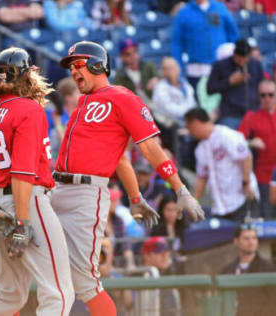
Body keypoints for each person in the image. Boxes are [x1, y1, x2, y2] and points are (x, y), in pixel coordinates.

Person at [55, 41, 204, 316]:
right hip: (57, 189)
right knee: (36, 268)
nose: (74, 72)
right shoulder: (85, 100)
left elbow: (149, 147)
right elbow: (120, 158)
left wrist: (180, 188)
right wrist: (135, 197)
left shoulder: (123, 97)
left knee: (85, 282)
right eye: (71, 68)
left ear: (98, 66)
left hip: (86, 194)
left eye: (79, 65)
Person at [0, 47, 75, 316]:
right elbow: (22, 171)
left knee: (10, 293)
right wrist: (21, 223)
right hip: (27, 202)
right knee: (58, 292)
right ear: (24, 75)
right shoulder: (29, 109)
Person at [185, 108, 258, 221]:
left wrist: (246, 182)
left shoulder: (225, 134)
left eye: (189, 127)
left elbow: (246, 156)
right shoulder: (200, 150)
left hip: (241, 200)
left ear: (195, 123)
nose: (189, 132)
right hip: (220, 207)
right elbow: (202, 179)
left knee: (246, 237)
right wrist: (194, 203)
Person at [172, 0, 239, 89]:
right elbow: (177, 43)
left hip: (222, 69)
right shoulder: (184, 13)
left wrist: (234, 62)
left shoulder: (220, 8)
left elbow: (233, 34)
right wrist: (179, 69)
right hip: (196, 70)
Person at [237, 80, 276, 218]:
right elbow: (237, 143)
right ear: (258, 96)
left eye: (271, 95)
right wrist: (251, 142)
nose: (267, 99)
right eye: (263, 95)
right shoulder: (251, 117)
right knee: (268, 217)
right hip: (263, 177)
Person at [207, 38, 264, 129]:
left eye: (245, 58)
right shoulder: (221, 65)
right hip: (231, 114)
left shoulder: (255, 64)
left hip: (253, 113)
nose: (242, 61)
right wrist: (229, 81)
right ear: (234, 54)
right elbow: (210, 89)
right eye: (239, 58)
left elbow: (262, 85)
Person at [221, 224, 275, 316]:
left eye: (254, 238)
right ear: (236, 241)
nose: (251, 242)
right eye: (246, 239)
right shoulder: (227, 271)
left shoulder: (269, 268)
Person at [138, 237, 181, 316]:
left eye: (167, 252)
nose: (165, 256)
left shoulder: (170, 274)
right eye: (160, 253)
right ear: (147, 256)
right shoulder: (137, 277)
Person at [152, 57, 196, 126]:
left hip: (188, 119)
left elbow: (192, 103)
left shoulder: (185, 84)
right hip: (169, 125)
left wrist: (190, 115)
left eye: (172, 68)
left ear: (178, 68)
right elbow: (169, 109)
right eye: (166, 69)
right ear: (163, 71)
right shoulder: (160, 87)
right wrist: (188, 113)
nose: (170, 71)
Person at [114, 38, 160, 105]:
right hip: (136, 109)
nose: (133, 56)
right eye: (128, 54)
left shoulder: (148, 66)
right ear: (122, 57)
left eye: (135, 51)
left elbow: (160, 77)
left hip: (157, 104)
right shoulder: (120, 76)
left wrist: (157, 79)